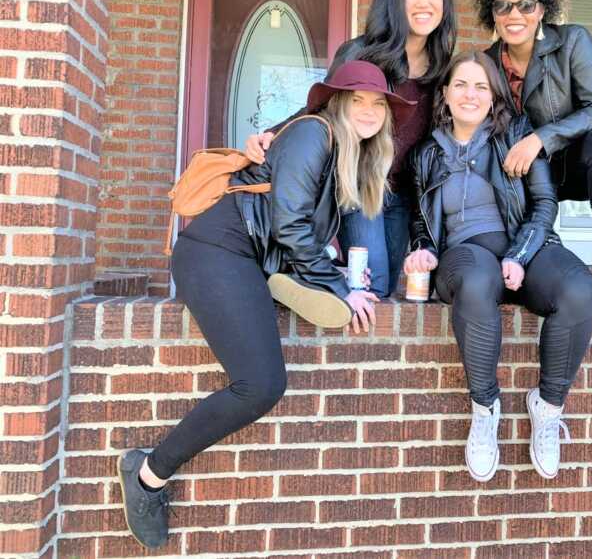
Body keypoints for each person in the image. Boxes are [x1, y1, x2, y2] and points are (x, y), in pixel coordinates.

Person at [117, 61, 412, 549]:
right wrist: (340, 290)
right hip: (215, 251)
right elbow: (291, 225)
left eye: (377, 104)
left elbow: (293, 224)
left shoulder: (346, 156)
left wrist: (331, 273)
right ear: (337, 103)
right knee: (261, 384)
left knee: (268, 370)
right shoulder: (313, 134)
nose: (367, 111)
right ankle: (148, 473)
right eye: (356, 100)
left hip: (248, 259)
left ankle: (285, 281)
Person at [404, 51, 592, 482]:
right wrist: (423, 247)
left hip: (524, 245)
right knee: (477, 279)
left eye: (480, 86)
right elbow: (420, 216)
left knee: (579, 288)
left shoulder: (517, 136)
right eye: (461, 85)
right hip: (466, 254)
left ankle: (547, 407)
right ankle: (485, 408)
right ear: (446, 94)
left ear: (493, 96)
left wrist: (519, 254)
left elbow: (545, 204)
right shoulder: (425, 154)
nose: (470, 94)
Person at [245, 0, 456, 298]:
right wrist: (272, 134)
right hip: (359, 184)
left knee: (384, 289)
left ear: (445, 2)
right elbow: (319, 107)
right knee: (370, 283)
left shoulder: (442, 67)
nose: (423, 2)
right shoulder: (362, 52)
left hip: (403, 193)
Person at [470, 0, 592, 307]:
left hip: (571, 165)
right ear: (491, 12)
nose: (515, 15)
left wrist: (541, 138)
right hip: (518, 178)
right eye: (503, 5)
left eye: (526, 4)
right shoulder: (485, 64)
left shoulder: (573, 41)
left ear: (543, 7)